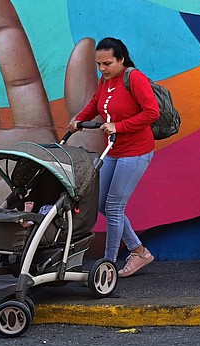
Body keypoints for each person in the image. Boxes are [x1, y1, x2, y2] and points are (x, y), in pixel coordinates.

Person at [68, 37, 159, 277]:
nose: (102, 69)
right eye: (99, 64)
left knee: (115, 207)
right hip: (114, 150)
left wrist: (119, 126)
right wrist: (79, 119)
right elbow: (96, 103)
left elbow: (152, 112)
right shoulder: (105, 80)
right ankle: (139, 251)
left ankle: (107, 264)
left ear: (121, 59)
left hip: (136, 151)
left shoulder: (134, 78)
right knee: (100, 204)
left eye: (107, 63)